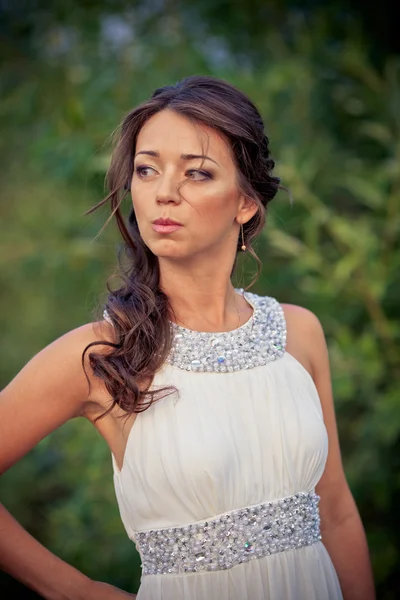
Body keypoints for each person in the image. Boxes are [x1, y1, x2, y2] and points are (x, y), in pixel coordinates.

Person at [0, 75, 375, 600]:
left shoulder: (299, 334)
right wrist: (74, 589)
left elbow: (334, 510)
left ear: (245, 203)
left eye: (197, 173)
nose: (164, 193)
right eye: (147, 169)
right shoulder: (104, 353)